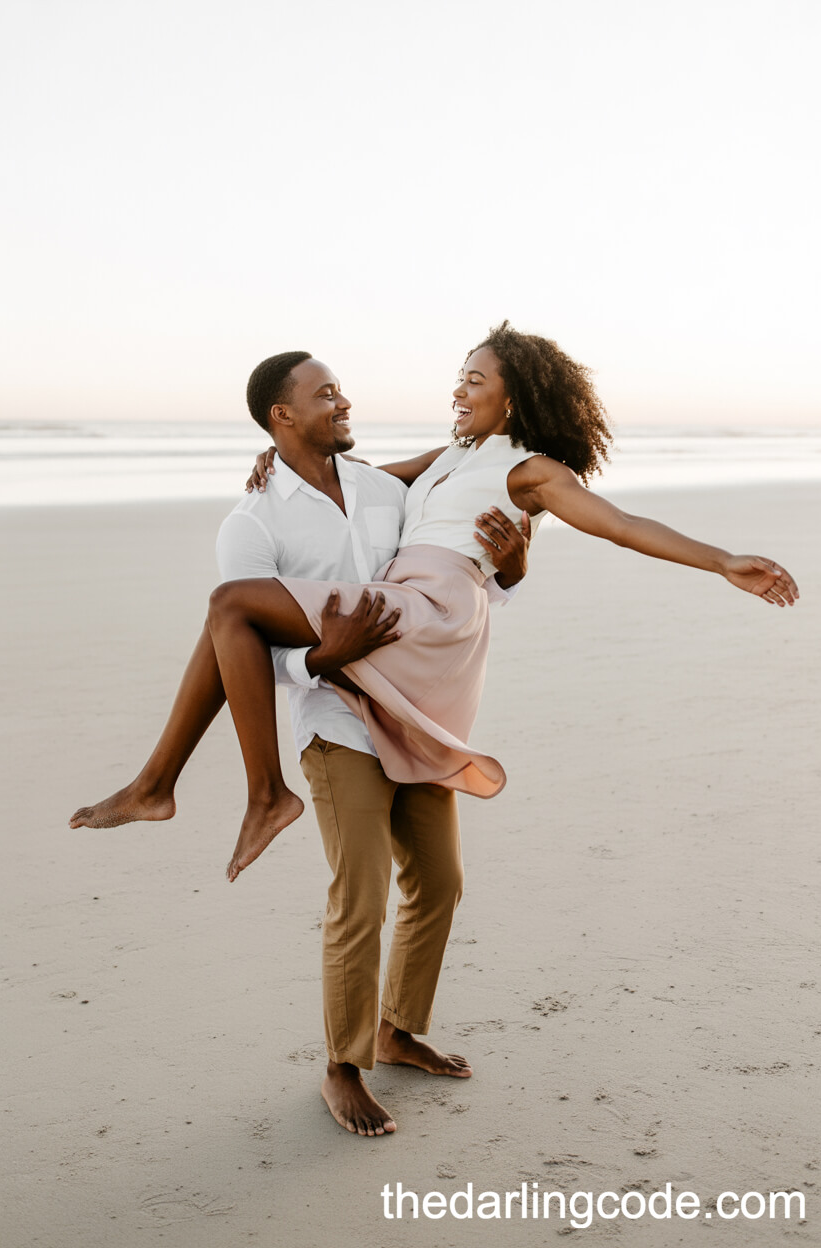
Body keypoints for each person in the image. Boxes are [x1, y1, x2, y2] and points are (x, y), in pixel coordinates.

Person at [70, 348, 530, 1138]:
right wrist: (319, 658)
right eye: (326, 394)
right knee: (362, 894)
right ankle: (342, 1067)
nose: (344, 402)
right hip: (336, 721)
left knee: (440, 882)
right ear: (282, 415)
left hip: (412, 715)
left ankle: (396, 1030)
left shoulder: (386, 490)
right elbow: (241, 645)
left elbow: (460, 528)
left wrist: (513, 567)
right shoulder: (253, 521)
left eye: (341, 390)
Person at [201, 321, 798, 886]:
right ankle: (185, 783)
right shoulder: (452, 457)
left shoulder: (531, 472)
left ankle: (238, 791)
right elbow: (346, 481)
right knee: (235, 612)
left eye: (475, 381)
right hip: (407, 600)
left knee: (234, 606)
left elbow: (621, 525)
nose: (458, 391)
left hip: (432, 608)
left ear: (511, 400)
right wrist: (277, 456)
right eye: (460, 378)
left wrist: (722, 561)